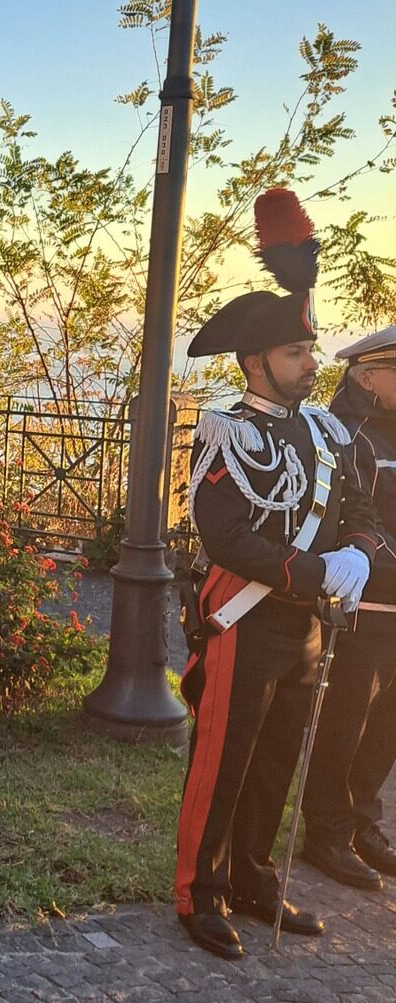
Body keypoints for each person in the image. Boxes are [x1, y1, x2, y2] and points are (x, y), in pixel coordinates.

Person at [174, 189, 380, 960]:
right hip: (244, 620)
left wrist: (356, 550)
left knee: (275, 760)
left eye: (311, 348)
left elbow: (358, 502)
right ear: (256, 359)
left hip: (306, 628)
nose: (312, 362)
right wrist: (311, 568)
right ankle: (200, 889)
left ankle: (256, 878)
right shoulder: (227, 428)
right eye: (298, 353)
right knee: (223, 761)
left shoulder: (324, 431)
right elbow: (223, 533)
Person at [301, 325, 396, 889]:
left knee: (388, 724)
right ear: (368, 377)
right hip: (364, 601)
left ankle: (363, 821)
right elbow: (360, 522)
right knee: (345, 722)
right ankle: (328, 834)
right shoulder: (346, 435)